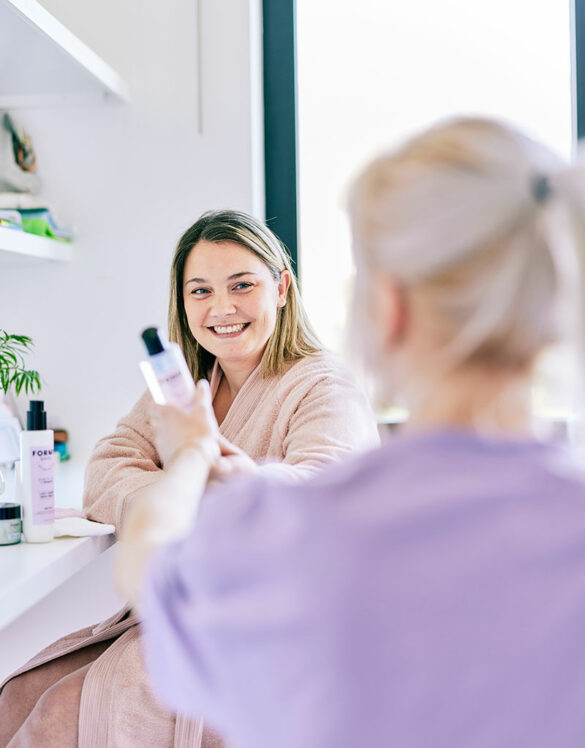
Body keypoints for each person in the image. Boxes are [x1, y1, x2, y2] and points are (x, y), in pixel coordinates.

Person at [119, 119, 585, 748]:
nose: (220, 306)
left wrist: (192, 455)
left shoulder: (300, 532)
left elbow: (148, 570)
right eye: (200, 290)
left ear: (387, 306)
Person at [0, 211, 378, 748]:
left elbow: (317, 501)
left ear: (282, 288)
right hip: (184, 615)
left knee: (59, 715)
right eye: (200, 291)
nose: (221, 308)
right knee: (16, 697)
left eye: (241, 285)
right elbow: (107, 468)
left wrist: (189, 487)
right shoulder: (188, 387)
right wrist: (184, 499)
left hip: (277, 629)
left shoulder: (325, 387)